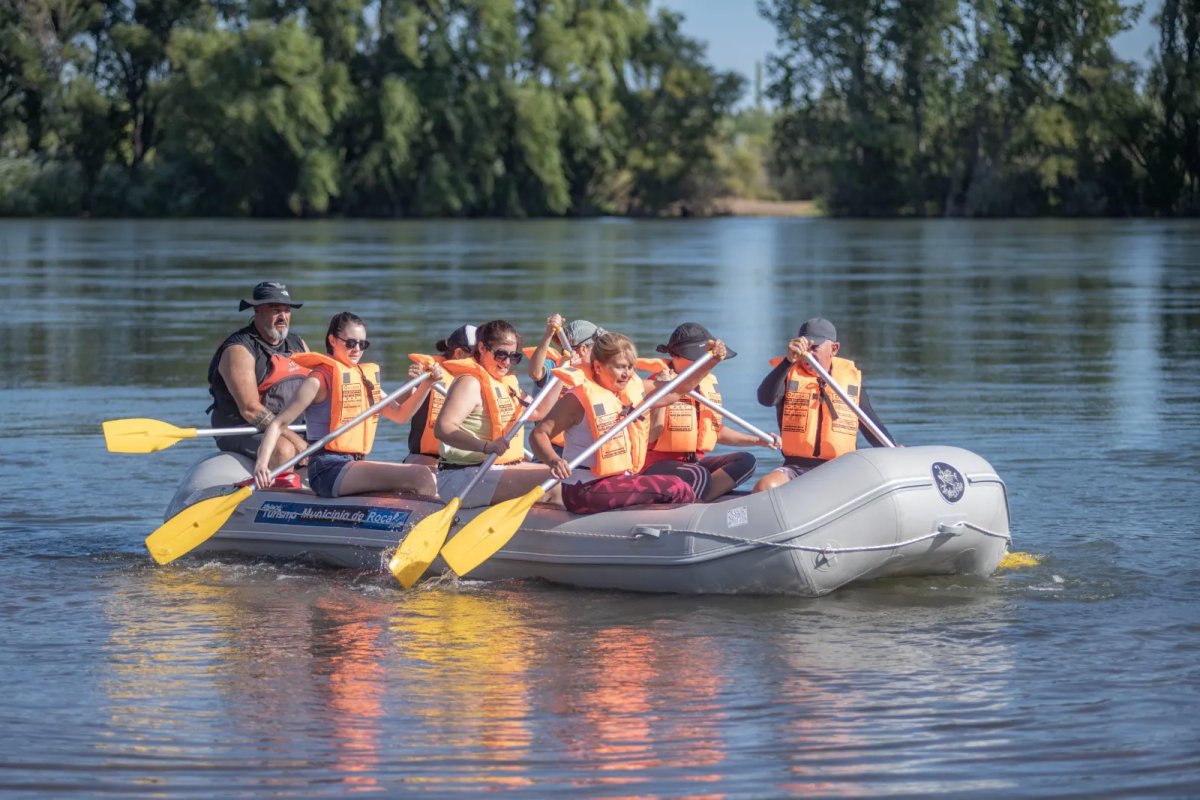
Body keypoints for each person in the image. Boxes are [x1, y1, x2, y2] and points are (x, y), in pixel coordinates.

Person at [530, 332, 729, 513]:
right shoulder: (577, 400)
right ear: (598, 367)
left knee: (676, 486)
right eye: (619, 367)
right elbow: (539, 434)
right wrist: (553, 460)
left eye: (630, 367)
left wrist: (711, 361)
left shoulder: (633, 390)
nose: (627, 373)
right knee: (675, 487)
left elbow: (677, 390)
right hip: (584, 489)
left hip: (619, 480)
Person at [254, 312, 439, 498]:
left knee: (422, 476)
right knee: (420, 475)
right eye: (351, 343)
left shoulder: (364, 379)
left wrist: (426, 385)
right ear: (333, 340)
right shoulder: (318, 381)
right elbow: (278, 424)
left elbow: (401, 415)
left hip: (353, 465)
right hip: (327, 470)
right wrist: (262, 465)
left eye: (363, 344)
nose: (357, 349)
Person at [752, 317, 894, 493]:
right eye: (804, 348)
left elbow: (872, 428)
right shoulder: (788, 375)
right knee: (764, 487)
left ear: (834, 349)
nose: (807, 355)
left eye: (814, 348)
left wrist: (894, 451)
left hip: (840, 469)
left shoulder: (849, 383)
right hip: (796, 468)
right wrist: (788, 361)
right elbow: (765, 399)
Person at [642, 323, 782, 501]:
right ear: (677, 356)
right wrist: (661, 397)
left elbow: (715, 430)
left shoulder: (706, 383)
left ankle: (700, 503)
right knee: (699, 475)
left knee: (746, 461)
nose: (704, 364)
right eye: (698, 358)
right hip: (656, 466)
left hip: (692, 463)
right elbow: (651, 435)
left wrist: (756, 440)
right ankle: (693, 510)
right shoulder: (656, 383)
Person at [434, 320, 557, 507]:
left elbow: (539, 412)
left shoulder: (506, 384)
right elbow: (443, 429)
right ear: (482, 348)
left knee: (564, 473)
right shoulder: (470, 383)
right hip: (462, 478)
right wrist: (486, 446)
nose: (507, 362)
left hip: (493, 471)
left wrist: (561, 376)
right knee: (554, 481)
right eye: (501, 355)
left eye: (514, 356)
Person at [207, 281, 311, 468]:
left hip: (290, 428)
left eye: (287, 310)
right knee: (284, 450)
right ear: (257, 311)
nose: (283, 316)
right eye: (275, 309)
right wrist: (298, 441)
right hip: (243, 428)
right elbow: (250, 409)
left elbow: (315, 391)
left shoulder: (298, 344)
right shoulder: (239, 349)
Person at [404, 324, 477, 467]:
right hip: (426, 459)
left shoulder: (480, 381)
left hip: (466, 459)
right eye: (477, 355)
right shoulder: (429, 372)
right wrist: (410, 382)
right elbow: (400, 407)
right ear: (459, 353)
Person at [527, 315, 605, 389]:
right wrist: (549, 334)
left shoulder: (598, 374)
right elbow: (535, 373)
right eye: (597, 347)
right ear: (583, 349)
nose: (602, 352)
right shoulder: (553, 367)